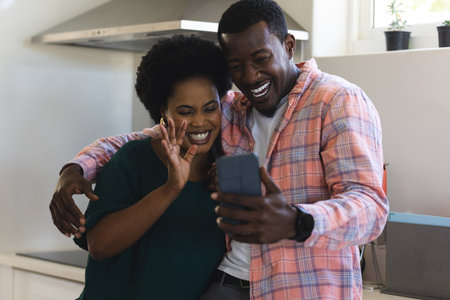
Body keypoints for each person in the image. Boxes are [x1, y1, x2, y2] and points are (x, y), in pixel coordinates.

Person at [51, 1, 389, 299]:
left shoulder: (336, 101)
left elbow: (371, 208)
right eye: (236, 66)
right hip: (226, 283)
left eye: (261, 58)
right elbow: (144, 138)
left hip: (300, 288)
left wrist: (297, 221)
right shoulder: (232, 107)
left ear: (288, 46)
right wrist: (75, 169)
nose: (251, 75)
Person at [69, 35, 232, 300]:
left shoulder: (225, 171)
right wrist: (171, 188)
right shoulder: (133, 159)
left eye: (210, 108)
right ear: (163, 112)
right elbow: (99, 245)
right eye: (186, 111)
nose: (200, 121)